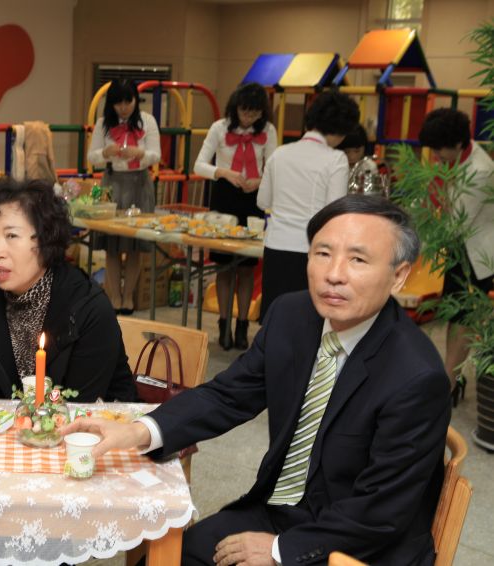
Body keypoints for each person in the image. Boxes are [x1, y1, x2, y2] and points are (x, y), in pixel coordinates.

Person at [63, 195, 451, 565]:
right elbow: (228, 395)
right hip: (281, 512)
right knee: (166, 559)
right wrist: (138, 431)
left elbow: (380, 513)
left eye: (358, 259)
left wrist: (282, 550)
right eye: (323, 253)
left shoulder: (416, 378)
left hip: (360, 548)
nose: (334, 275)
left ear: (399, 276)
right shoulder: (292, 316)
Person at [0, 177, 137, 402]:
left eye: (11, 236)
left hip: (100, 420)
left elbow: (80, 408)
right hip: (18, 423)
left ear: (46, 239)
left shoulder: (88, 308)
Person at [256, 90, 360, 322]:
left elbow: (263, 201)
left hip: (275, 246)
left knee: (275, 318)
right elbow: (335, 212)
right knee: (306, 323)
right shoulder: (335, 159)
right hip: (312, 251)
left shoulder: (279, 154)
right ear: (342, 130)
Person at [194, 83, 277, 350]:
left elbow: (274, 168)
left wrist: (259, 181)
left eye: (254, 113)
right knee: (224, 265)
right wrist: (224, 173)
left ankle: (243, 326)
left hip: (253, 199)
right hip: (224, 196)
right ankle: (224, 324)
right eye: (244, 111)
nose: (248, 117)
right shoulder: (219, 128)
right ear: (235, 107)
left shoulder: (268, 131)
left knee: (246, 266)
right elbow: (199, 165)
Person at [418, 108, 494, 399]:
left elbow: (454, 225)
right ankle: (452, 377)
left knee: (463, 317)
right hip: (461, 248)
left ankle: (448, 383)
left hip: (478, 255)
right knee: (455, 315)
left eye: (440, 149)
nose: (436, 156)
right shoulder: (455, 160)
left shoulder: (480, 171)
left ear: (459, 143)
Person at [87, 79, 161, 314]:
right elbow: (92, 157)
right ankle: (114, 297)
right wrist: (105, 152)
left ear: (135, 100)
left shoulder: (147, 121)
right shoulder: (103, 124)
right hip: (111, 182)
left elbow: (156, 155)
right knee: (111, 245)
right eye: (118, 103)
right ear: (111, 104)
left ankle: (128, 297)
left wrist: (140, 153)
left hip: (140, 182)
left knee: (135, 245)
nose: (124, 108)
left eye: (128, 102)